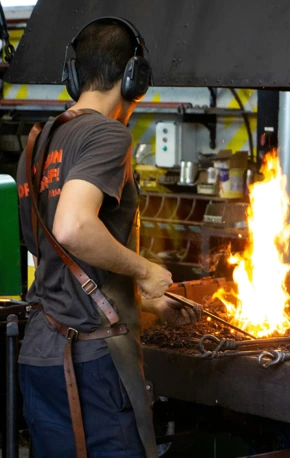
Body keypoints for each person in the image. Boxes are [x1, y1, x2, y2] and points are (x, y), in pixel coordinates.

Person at [16, 17, 201, 458]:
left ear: (74, 75)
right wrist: (146, 272)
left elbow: (55, 257)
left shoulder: (38, 143)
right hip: (91, 367)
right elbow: (73, 228)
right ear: (134, 78)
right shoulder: (106, 133)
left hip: (41, 352)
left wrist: (146, 304)